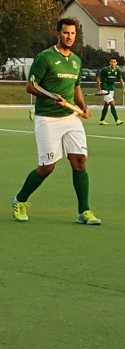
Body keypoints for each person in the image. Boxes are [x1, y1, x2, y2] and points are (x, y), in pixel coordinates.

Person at [10, 18, 101, 225]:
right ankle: (19, 200)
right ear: (58, 33)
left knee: (79, 161)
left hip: (70, 118)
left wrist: (83, 107)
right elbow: (31, 86)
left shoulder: (76, 61)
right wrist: (52, 97)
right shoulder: (45, 58)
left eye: (73, 33)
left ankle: (84, 211)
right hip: (47, 119)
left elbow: (76, 86)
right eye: (66, 33)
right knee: (47, 167)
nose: (69, 37)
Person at [97, 56, 125, 126]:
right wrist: (99, 89)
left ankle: (102, 120)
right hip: (105, 89)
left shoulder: (117, 70)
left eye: (114, 62)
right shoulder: (105, 70)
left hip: (111, 89)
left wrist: (124, 89)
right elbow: (98, 78)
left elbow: (121, 80)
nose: (113, 63)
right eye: (112, 62)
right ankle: (117, 120)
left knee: (106, 105)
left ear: (116, 63)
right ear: (110, 63)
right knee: (112, 103)